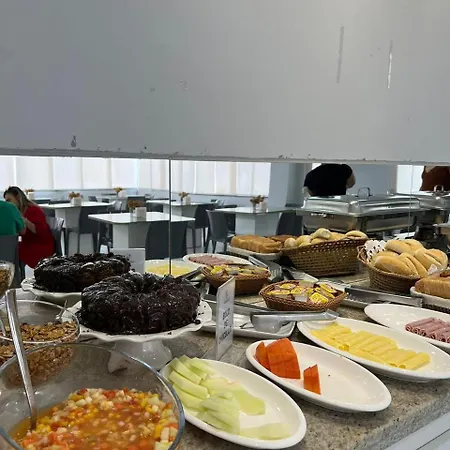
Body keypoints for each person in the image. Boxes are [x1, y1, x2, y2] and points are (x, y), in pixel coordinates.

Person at [3, 186, 55, 268]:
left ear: (18, 198)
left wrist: (24, 220)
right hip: (28, 243)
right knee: (8, 247)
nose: (7, 204)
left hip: (40, 246)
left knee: (12, 250)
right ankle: (13, 272)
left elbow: (40, 231)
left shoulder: (33, 210)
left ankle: (14, 273)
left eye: (9, 200)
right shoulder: (18, 211)